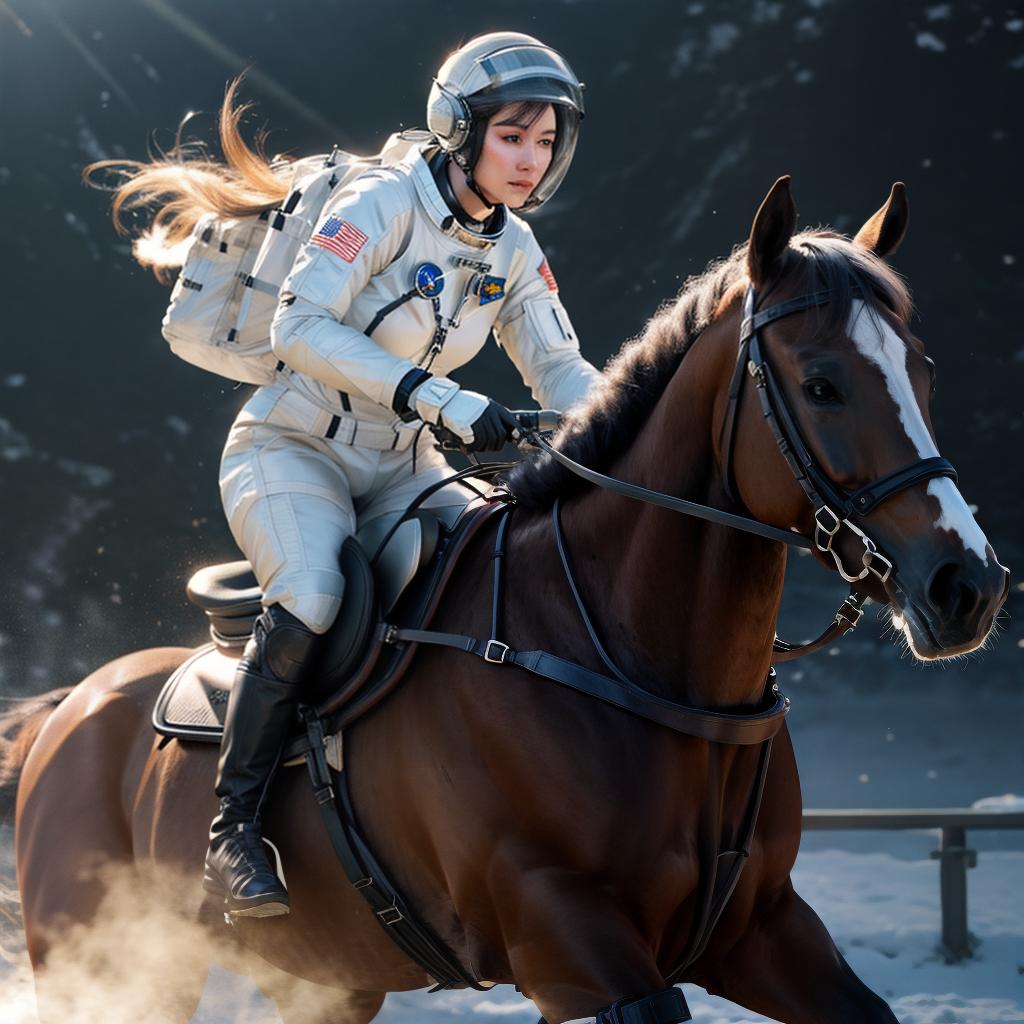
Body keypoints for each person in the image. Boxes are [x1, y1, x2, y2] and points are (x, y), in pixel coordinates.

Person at [86, 31, 602, 918]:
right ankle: (232, 832)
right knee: (315, 596)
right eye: (513, 135)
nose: (530, 159)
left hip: (406, 464)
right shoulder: (379, 200)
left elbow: (562, 371)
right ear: (460, 129)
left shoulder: (513, 248)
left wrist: (630, 428)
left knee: (501, 564)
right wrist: (443, 397)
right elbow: (298, 328)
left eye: (546, 140)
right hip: (292, 447)